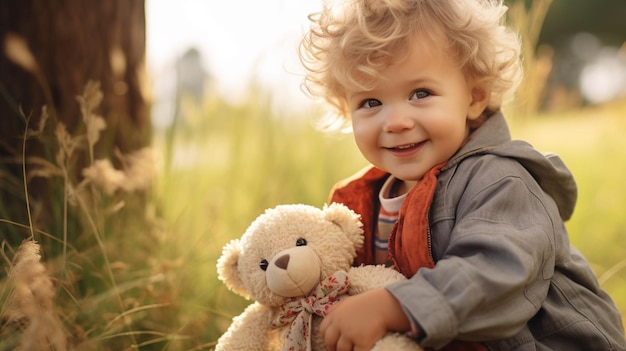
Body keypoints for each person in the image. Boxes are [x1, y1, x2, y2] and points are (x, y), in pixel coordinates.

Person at [298, 0, 626, 350]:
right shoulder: (359, 203)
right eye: (370, 102)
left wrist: (394, 306)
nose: (395, 122)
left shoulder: (502, 181)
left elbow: (495, 272)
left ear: (475, 97)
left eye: (420, 94)